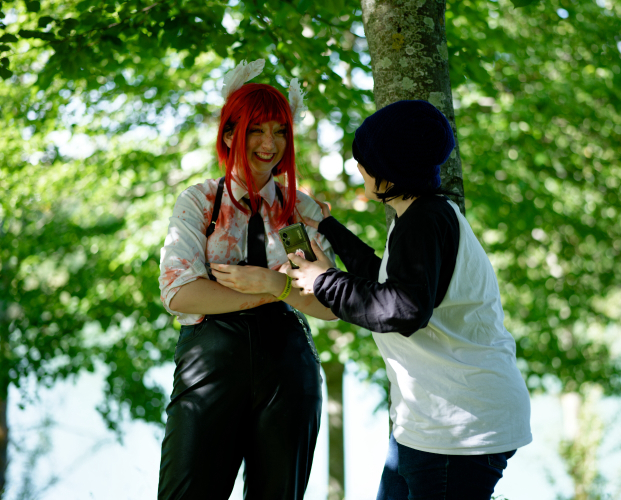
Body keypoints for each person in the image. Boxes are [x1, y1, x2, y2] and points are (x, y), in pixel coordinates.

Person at [286, 100, 533, 500]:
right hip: (428, 425)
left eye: (365, 161)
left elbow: (402, 310)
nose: (359, 168)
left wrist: (324, 281)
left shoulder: (423, 220)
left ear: (389, 169)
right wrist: (328, 227)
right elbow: (391, 282)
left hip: (458, 430)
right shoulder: (424, 214)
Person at [157, 59, 336, 500]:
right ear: (229, 134)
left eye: (279, 131)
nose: (269, 144)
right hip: (210, 365)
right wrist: (275, 290)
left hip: (289, 368)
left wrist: (270, 284)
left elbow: (330, 304)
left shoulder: (303, 209)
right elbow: (180, 293)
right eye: (256, 130)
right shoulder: (199, 201)